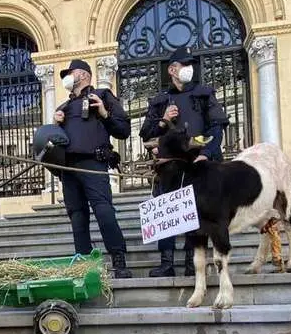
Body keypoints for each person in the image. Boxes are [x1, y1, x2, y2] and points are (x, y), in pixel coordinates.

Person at [139, 46, 230, 277]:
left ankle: (193, 263)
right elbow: (145, 134)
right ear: (172, 70)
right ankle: (166, 263)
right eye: (184, 65)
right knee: (166, 213)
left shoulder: (204, 93)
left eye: (191, 65)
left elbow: (216, 128)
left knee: (197, 215)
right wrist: (162, 120)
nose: (189, 69)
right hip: (169, 167)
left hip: (199, 164)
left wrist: (206, 153)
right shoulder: (160, 100)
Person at [54, 59, 133, 278]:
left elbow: (123, 130)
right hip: (68, 169)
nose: (68, 77)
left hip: (93, 163)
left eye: (72, 72)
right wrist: (56, 124)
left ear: (85, 75)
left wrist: (105, 113)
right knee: (77, 216)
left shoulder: (103, 95)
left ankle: (119, 260)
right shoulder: (63, 108)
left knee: (104, 211)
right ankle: (84, 264)